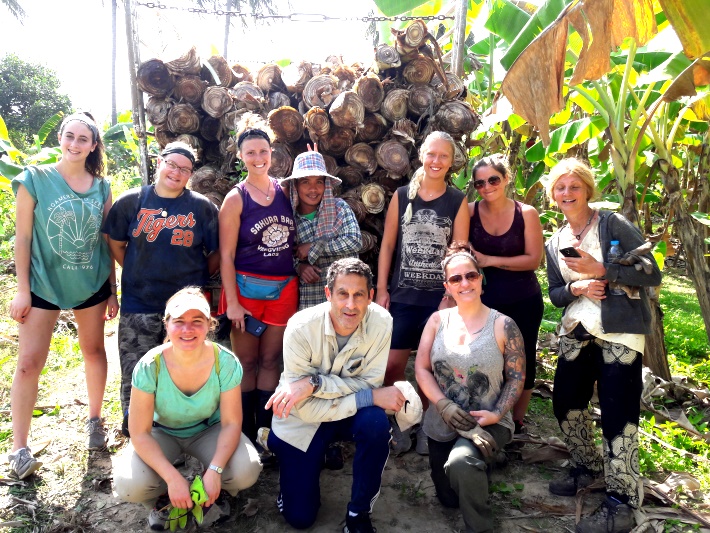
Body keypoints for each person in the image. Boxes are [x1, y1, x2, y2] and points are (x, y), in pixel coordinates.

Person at [545, 158, 661, 533]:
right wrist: (576, 288)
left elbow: (651, 271)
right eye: (560, 188)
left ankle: (622, 499)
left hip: (619, 332)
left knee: (618, 412)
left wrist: (603, 271)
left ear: (587, 189)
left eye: (574, 186)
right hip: (577, 330)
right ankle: (585, 466)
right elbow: (555, 294)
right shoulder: (555, 241)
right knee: (565, 401)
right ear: (553, 195)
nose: (567, 193)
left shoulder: (612, 223)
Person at [8, 112, 118, 478]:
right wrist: (22, 290)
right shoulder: (35, 179)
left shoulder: (102, 187)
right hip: (42, 284)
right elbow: (22, 239)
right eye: (68, 136)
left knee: (93, 351)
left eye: (82, 139)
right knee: (28, 363)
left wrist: (113, 290)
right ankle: (19, 448)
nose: (74, 144)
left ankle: (94, 420)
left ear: (93, 145)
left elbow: (106, 241)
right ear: (60, 138)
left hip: (91, 283)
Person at [265, 258, 405, 533]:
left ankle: (358, 514)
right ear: (328, 294)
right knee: (300, 518)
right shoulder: (300, 327)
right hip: (303, 420)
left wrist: (315, 384)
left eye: (359, 295)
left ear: (371, 297)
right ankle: (283, 445)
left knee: (376, 424)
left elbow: (370, 383)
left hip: (342, 412)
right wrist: (368, 395)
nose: (350, 305)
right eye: (343, 294)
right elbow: (306, 409)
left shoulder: (381, 322)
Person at [112, 287, 262, 530]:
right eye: (179, 321)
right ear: (167, 324)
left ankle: (213, 492)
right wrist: (172, 478)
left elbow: (232, 422)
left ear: (209, 324)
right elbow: (139, 431)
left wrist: (215, 470)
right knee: (129, 485)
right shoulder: (150, 365)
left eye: (197, 321)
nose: (187, 329)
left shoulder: (225, 361)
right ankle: (162, 499)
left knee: (246, 470)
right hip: (162, 432)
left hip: (208, 429)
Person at [103, 141, 219, 429]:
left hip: (186, 311)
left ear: (190, 174)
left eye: (185, 169)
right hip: (140, 303)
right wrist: (136, 269)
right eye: (172, 164)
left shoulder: (202, 208)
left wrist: (195, 283)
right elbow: (116, 244)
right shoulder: (131, 202)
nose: (176, 172)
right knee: (137, 370)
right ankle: (135, 427)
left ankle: (183, 426)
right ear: (159, 162)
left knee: (185, 369)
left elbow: (215, 254)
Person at [415, 242, 525, 533]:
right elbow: (422, 369)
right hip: (443, 421)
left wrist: (497, 414)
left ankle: (481, 527)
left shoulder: (504, 325)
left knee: (462, 463)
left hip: (486, 420)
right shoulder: (437, 321)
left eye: (471, 276)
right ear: (447, 286)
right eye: (456, 278)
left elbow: (516, 377)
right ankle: (483, 463)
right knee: (449, 498)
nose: (464, 283)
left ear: (480, 279)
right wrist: (444, 405)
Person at [376, 130, 470, 455]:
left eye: (443, 156)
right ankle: (399, 423)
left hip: (438, 300)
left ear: (451, 162)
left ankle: (429, 426)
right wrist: (380, 288)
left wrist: (451, 295)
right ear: (421, 155)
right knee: (392, 366)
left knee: (432, 367)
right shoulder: (402, 196)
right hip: (402, 296)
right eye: (431, 154)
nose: (436, 161)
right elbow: (388, 245)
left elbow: (458, 251)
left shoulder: (458, 202)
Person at [218, 115, 297, 444]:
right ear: (240, 156)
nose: (258, 158)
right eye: (250, 153)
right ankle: (245, 431)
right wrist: (232, 303)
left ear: (272, 151)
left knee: (270, 360)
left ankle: (266, 431)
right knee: (247, 362)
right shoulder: (236, 199)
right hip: (246, 291)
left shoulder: (285, 192)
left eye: (263, 151)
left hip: (283, 290)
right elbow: (225, 256)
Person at [468, 155, 544, 433]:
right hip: (484, 302)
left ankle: (517, 421)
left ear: (506, 179)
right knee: (487, 358)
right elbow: (460, 249)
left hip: (523, 298)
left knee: (522, 359)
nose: (487, 187)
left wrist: (489, 260)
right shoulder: (470, 211)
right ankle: (487, 412)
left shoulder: (526, 214)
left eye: (493, 180)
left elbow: (533, 259)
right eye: (480, 183)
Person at [281, 150, 362, 310]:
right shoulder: (290, 219)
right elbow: (285, 254)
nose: (313, 189)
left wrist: (313, 247)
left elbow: (354, 241)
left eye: (319, 182)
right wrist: (300, 267)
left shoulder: (340, 208)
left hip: (347, 298)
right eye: (305, 182)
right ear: (295, 186)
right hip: (312, 298)